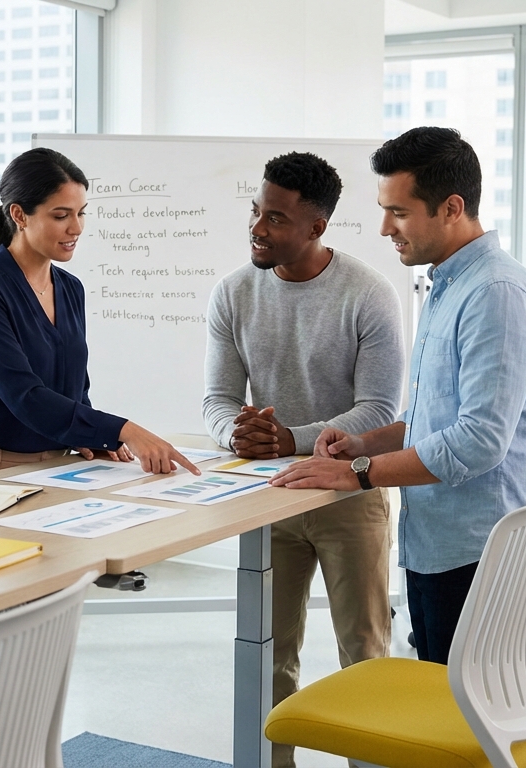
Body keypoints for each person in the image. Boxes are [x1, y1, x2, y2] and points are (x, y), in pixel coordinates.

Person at [271, 127, 526, 666]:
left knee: (471, 731)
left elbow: (478, 442)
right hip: (442, 541)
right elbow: (430, 416)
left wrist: (357, 474)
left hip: (480, 551)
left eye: (398, 212)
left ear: (451, 208)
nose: (384, 229)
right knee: (446, 718)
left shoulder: (494, 293)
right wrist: (363, 444)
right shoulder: (447, 285)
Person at [203, 152, 405, 768]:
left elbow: (377, 411)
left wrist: (288, 436)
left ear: (316, 228)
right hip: (270, 498)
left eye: (277, 218)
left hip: (350, 496)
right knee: (268, 654)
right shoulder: (233, 293)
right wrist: (235, 436)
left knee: (364, 654)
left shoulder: (368, 294)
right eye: (257, 212)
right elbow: (217, 401)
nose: (258, 228)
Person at [0, 147, 199, 476]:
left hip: (63, 464)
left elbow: (75, 389)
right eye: (61, 215)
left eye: (81, 213)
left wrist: (92, 436)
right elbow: (25, 397)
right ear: (20, 216)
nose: (77, 228)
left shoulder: (69, 288)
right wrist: (125, 430)